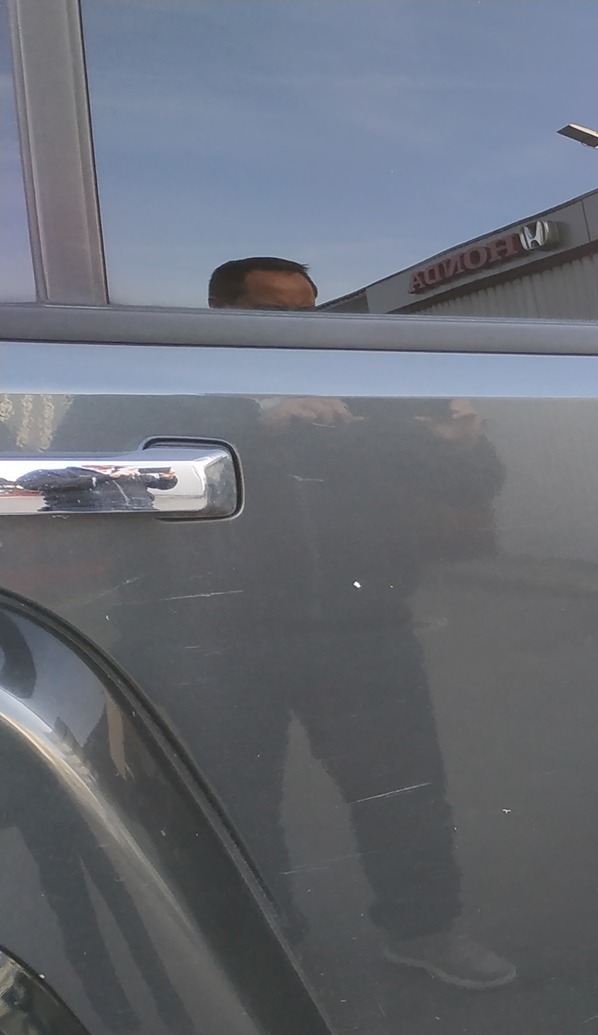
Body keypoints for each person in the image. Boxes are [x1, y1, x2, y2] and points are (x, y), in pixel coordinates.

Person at [48, 256, 516, 990]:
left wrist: (464, 442)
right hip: (206, 635)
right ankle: (268, 946)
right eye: (274, 308)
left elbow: (466, 486)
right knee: (233, 801)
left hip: (360, 628)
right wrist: (252, 424)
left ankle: (425, 929)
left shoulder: (358, 388)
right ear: (221, 313)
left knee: (404, 790)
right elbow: (76, 482)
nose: (297, 324)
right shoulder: (152, 382)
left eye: (308, 309)